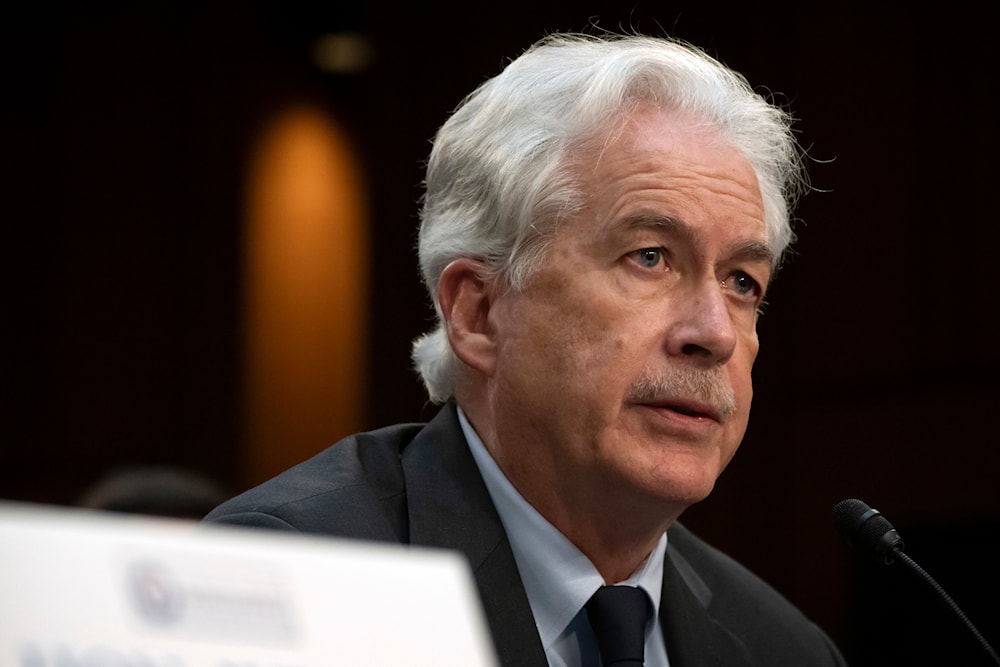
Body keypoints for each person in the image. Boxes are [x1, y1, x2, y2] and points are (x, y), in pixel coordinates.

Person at [206, 32, 846, 666]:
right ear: (479, 312)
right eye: (649, 258)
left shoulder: (782, 648)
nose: (714, 333)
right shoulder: (287, 589)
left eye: (742, 282)